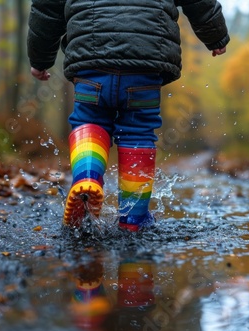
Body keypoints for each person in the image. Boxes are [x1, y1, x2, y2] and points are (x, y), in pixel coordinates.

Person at [27, 0, 230, 231]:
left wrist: (40, 59)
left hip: (91, 60)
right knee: (138, 132)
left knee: (89, 121)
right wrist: (216, 36)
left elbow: (47, 8)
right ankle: (134, 219)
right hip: (145, 62)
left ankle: (86, 178)